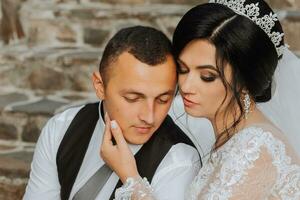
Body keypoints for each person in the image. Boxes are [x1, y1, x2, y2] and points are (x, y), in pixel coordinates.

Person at [101, 0, 300, 199]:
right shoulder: (234, 137)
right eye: (182, 69)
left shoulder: (255, 148)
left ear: (244, 80)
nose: (186, 87)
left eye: (207, 77)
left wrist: (130, 178)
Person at [23, 26, 201, 200]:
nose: (149, 117)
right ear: (100, 86)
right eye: (133, 98)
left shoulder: (181, 161)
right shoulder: (61, 128)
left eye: (163, 100)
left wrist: (130, 178)